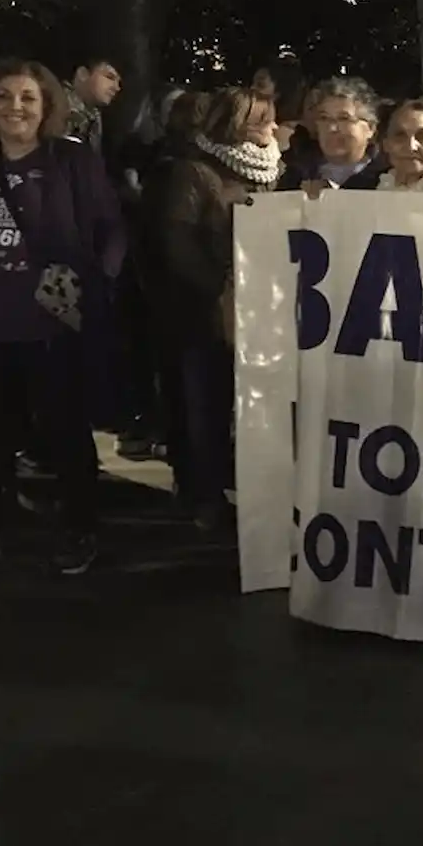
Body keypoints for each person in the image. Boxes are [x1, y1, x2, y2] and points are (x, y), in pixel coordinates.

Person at [0, 59, 125, 576]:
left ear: (46, 107)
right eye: (4, 97)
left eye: (28, 98)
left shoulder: (71, 162)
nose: (15, 107)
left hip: (50, 324)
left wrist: (94, 285)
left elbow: (111, 230)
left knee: (64, 433)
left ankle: (79, 529)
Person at [147, 88, 282, 531]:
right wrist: (223, 289)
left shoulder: (276, 170)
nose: (270, 129)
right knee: (204, 404)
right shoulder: (194, 172)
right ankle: (202, 496)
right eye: (259, 120)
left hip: (263, 312)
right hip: (202, 313)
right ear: (232, 124)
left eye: (271, 119)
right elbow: (176, 244)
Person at [280, 76, 379, 190]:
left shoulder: (385, 180)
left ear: (370, 128)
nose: (332, 128)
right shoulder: (295, 177)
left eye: (344, 118)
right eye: (324, 118)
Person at [64, 54, 123, 155]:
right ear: (83, 74)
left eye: (119, 82)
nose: (117, 87)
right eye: (109, 77)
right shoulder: (56, 106)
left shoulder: (95, 117)